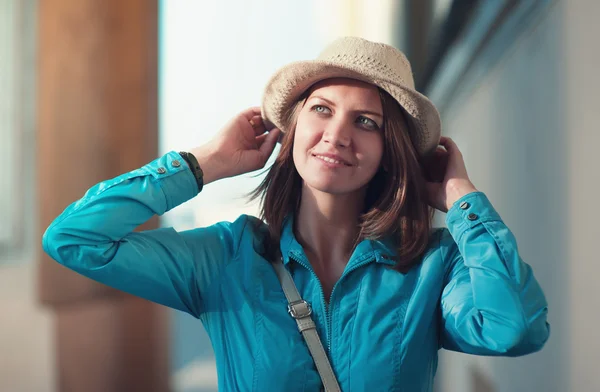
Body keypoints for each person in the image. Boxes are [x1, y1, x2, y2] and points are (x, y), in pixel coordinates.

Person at [42, 37, 550, 391]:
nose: (337, 134)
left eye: (366, 121)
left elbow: (514, 329)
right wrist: (204, 165)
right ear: (292, 130)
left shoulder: (431, 268)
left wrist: (463, 200)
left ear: (389, 151)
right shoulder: (226, 259)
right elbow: (75, 240)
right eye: (322, 109)